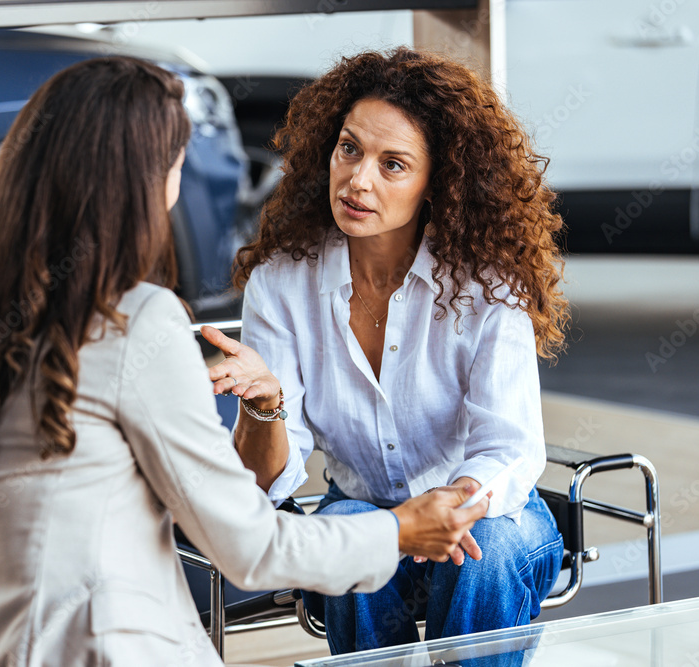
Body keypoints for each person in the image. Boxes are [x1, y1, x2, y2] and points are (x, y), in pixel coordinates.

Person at [0, 56, 491, 667]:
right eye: (177, 165)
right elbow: (250, 547)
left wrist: (266, 413)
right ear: (146, 180)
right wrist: (399, 530)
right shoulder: (135, 323)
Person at [202, 47, 570, 656]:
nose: (358, 179)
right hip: (366, 515)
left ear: (438, 183)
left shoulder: (487, 286)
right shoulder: (282, 281)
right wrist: (264, 404)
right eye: (349, 148)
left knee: (490, 552)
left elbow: (508, 447)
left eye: (393, 164)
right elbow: (263, 479)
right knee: (348, 531)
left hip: (485, 518)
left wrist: (448, 509)